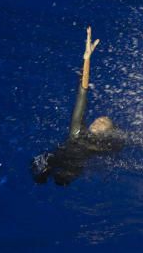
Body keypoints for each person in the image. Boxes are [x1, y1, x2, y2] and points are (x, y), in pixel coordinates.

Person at [32, 27, 124, 185]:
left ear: (109, 131)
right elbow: (82, 94)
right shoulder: (78, 130)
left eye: (103, 122)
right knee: (42, 163)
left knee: (64, 179)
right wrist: (87, 59)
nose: (97, 121)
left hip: (74, 166)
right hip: (55, 157)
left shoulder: (107, 145)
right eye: (98, 119)